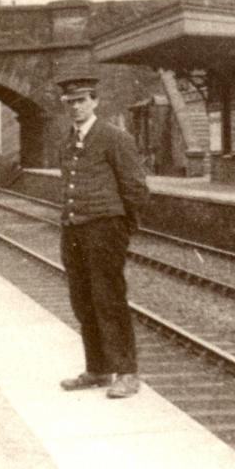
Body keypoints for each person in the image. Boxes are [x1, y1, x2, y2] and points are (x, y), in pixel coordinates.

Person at [55, 71, 149, 399]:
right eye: (69, 102)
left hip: (105, 228)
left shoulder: (114, 137)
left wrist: (124, 226)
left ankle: (127, 372)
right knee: (83, 300)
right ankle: (97, 369)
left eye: (81, 100)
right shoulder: (68, 139)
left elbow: (135, 187)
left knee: (108, 299)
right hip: (74, 228)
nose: (75, 107)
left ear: (95, 101)